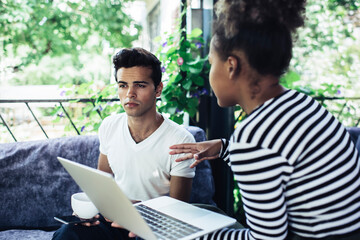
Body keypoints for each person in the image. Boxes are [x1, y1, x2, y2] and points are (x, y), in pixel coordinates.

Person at [169, 0, 360, 239]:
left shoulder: (253, 136)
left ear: (231, 66)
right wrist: (225, 148)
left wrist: (192, 236)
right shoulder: (301, 103)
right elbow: (284, 157)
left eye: (210, 63)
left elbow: (267, 238)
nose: (209, 74)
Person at [52, 47, 196, 240]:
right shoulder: (109, 126)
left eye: (140, 85)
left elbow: (179, 209)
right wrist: (93, 211)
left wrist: (135, 210)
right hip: (114, 222)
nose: (130, 94)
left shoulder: (181, 139)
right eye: (123, 85)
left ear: (158, 89)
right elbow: (101, 185)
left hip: (154, 227)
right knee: (67, 234)